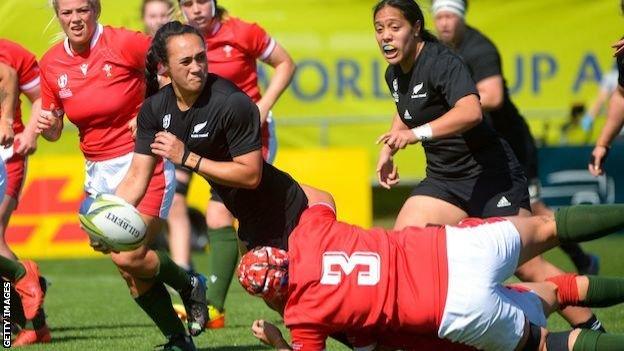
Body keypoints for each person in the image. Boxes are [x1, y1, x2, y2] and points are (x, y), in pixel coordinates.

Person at [237, 186, 624, 351]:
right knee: (549, 227)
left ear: (272, 295)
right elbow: (316, 196)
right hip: (451, 250)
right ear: (280, 251)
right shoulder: (308, 233)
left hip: (452, 308)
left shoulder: (302, 316)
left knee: (543, 340)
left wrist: (277, 340)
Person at [36, 1, 206, 349]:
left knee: (128, 254)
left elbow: (173, 72)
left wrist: (148, 110)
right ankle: (178, 339)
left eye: (82, 10)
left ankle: (189, 284)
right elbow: (54, 128)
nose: (75, 19)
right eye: (67, 13)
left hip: (144, 158)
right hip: (98, 173)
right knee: (130, 271)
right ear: (58, 15)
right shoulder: (52, 63)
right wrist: (48, 126)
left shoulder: (125, 43)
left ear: (95, 10)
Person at [431, 0, 603, 326]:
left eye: (450, 15)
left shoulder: (478, 48)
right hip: (474, 161)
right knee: (513, 246)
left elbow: (492, 97)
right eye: (438, 16)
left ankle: (583, 274)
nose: (444, 23)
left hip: (510, 150)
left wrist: (451, 107)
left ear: (462, 17)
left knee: (531, 233)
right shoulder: (437, 51)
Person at [171, 0, 296, 326]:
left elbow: (285, 64)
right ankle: (278, 297)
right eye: (187, 3)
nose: (196, 9)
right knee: (241, 228)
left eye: (202, 1)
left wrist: (264, 105)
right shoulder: (180, 42)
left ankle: (215, 307)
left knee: (223, 215)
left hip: (250, 138)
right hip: (213, 143)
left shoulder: (242, 32)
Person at [0, 62, 49, 346]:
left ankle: (20, 275)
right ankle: (33, 324)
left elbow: (7, 73)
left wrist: (7, 120)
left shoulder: (12, 53)